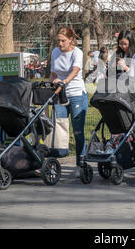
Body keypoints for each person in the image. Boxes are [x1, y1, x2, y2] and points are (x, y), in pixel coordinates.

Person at [50, 27, 88, 177]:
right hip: (60, 94)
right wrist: (52, 83)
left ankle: (81, 163)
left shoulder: (77, 52)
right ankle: (53, 164)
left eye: (63, 40)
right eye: (58, 40)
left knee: (78, 132)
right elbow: (53, 73)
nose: (60, 43)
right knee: (57, 130)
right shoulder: (55, 52)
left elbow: (76, 70)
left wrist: (64, 82)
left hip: (76, 94)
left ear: (71, 40)